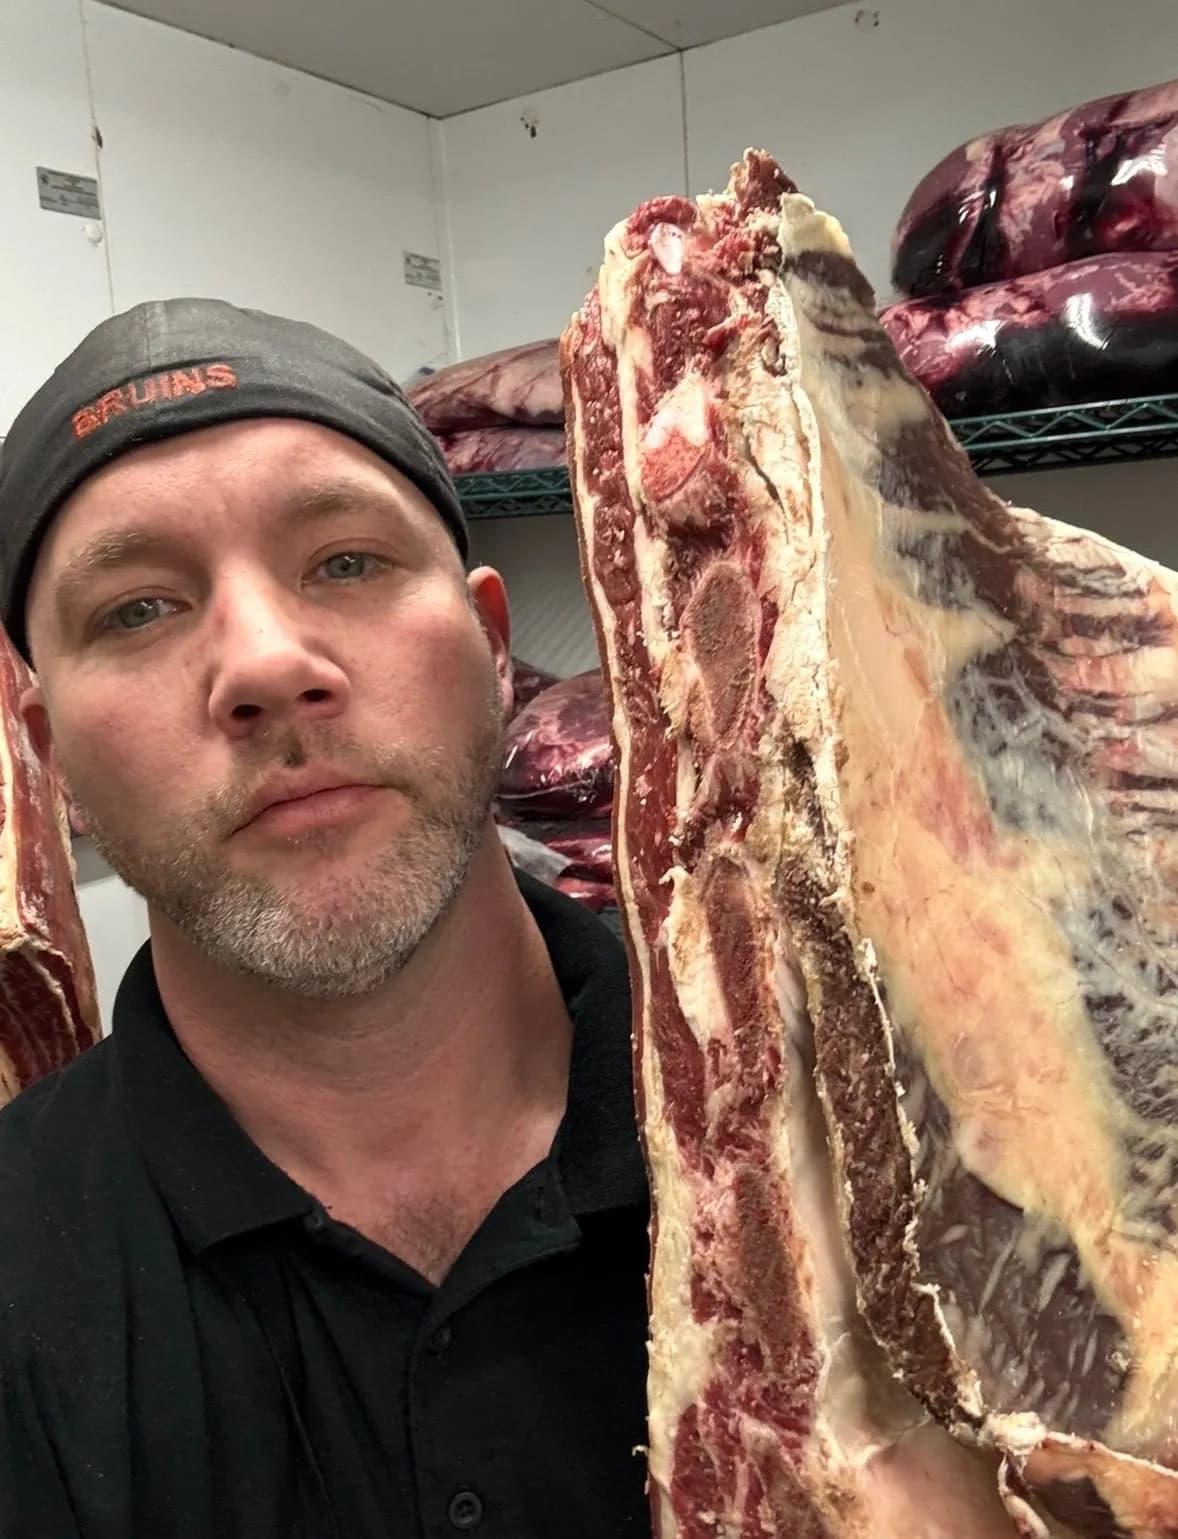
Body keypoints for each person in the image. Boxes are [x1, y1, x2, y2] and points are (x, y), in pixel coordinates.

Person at [0, 299, 650, 1538]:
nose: (262, 664)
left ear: (490, 647)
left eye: (345, 562)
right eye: (136, 608)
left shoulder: (840, 1132)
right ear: (52, 761)